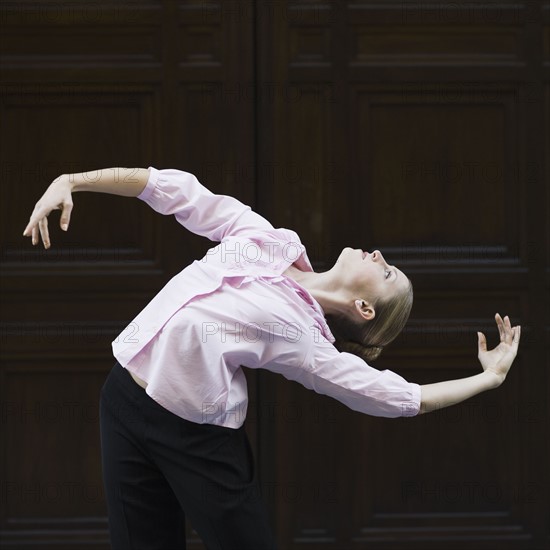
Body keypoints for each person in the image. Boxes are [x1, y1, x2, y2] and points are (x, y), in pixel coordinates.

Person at [23, 167, 521, 550]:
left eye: (386, 272)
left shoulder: (307, 340)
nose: (377, 255)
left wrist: (488, 379)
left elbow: (394, 396)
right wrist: (72, 181)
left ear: (364, 309)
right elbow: (174, 189)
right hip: (124, 401)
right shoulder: (269, 240)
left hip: (195, 438)